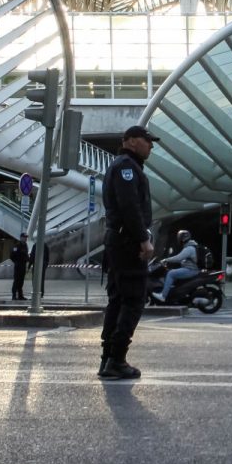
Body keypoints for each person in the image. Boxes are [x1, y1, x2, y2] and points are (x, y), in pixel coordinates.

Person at [98, 124, 158, 380]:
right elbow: (129, 206)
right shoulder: (126, 167)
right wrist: (143, 239)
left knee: (118, 300)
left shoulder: (124, 166)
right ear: (131, 141)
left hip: (118, 241)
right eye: (147, 141)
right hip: (127, 242)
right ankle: (117, 359)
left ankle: (107, 360)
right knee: (133, 299)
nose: (151, 146)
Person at [154, 229, 200, 304]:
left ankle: (163, 295)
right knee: (171, 271)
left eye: (179, 237)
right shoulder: (190, 246)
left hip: (191, 270)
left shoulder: (189, 248)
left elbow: (179, 258)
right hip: (191, 269)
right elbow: (182, 259)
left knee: (171, 273)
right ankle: (172, 291)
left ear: (182, 238)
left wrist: (166, 259)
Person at [10, 234, 30, 302]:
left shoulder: (25, 245)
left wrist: (28, 260)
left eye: (26, 238)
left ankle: (20, 295)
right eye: (24, 237)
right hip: (18, 266)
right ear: (21, 238)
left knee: (21, 281)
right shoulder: (17, 245)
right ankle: (14, 295)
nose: (25, 239)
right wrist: (16, 262)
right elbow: (12, 256)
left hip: (23, 265)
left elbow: (26, 255)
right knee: (16, 281)